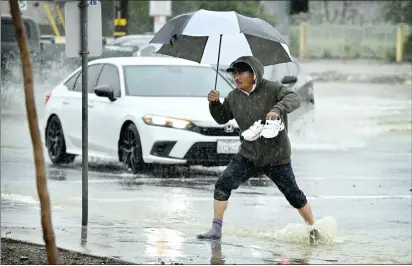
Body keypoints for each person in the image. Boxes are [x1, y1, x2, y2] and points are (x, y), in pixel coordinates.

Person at [197, 56, 319, 243]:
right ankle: (216, 229)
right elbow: (222, 118)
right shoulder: (233, 97)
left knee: (293, 194)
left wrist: (277, 109)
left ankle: (313, 229)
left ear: (253, 74)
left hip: (276, 156)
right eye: (234, 73)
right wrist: (214, 104)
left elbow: (294, 97)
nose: (237, 77)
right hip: (248, 155)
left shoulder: (272, 88)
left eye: (241, 73)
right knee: (223, 184)